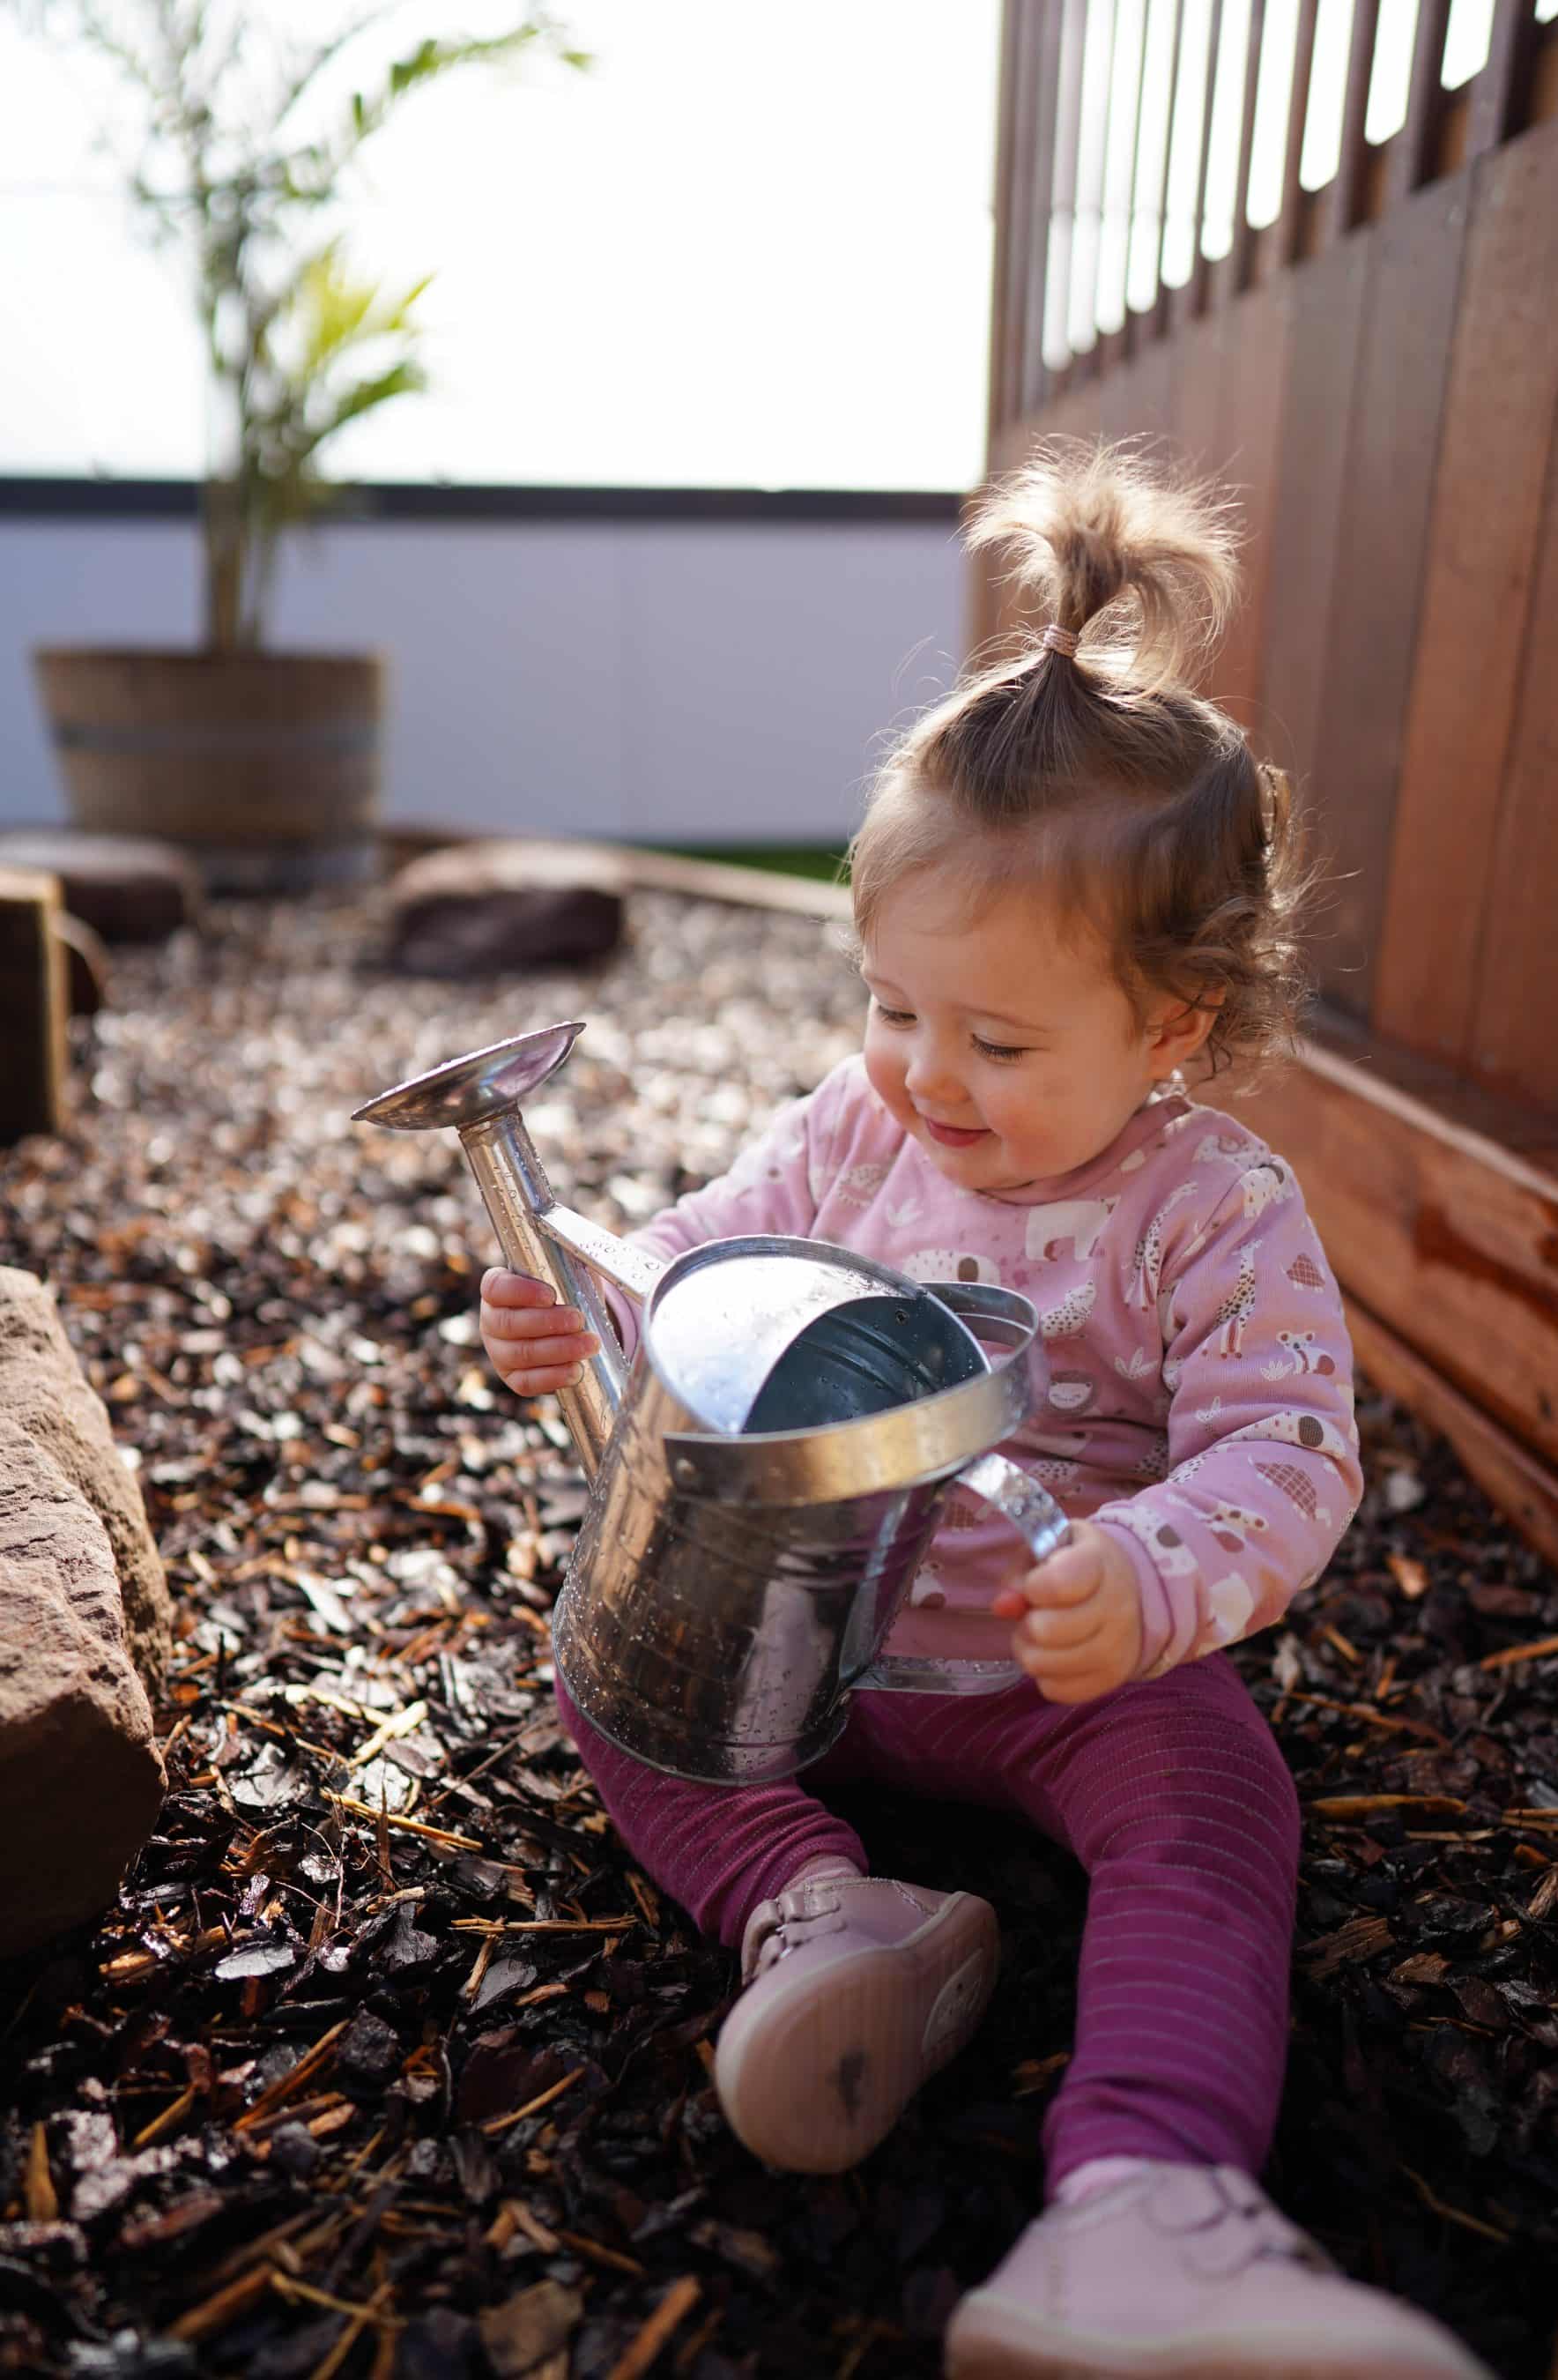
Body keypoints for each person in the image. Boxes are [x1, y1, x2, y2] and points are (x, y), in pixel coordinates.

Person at [479, 446, 1491, 2380]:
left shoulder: (1212, 1213)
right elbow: (704, 1254)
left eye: (1000, 1040)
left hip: (1068, 1663)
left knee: (1216, 1809)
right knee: (612, 1678)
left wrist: (1154, 1572)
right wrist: (584, 1308)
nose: (925, 1078)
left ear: (1171, 1028)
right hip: (821, 1638)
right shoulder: (860, 1128)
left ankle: (1144, 2203)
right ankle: (831, 1908)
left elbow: (1288, 1452)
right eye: (893, 1005)